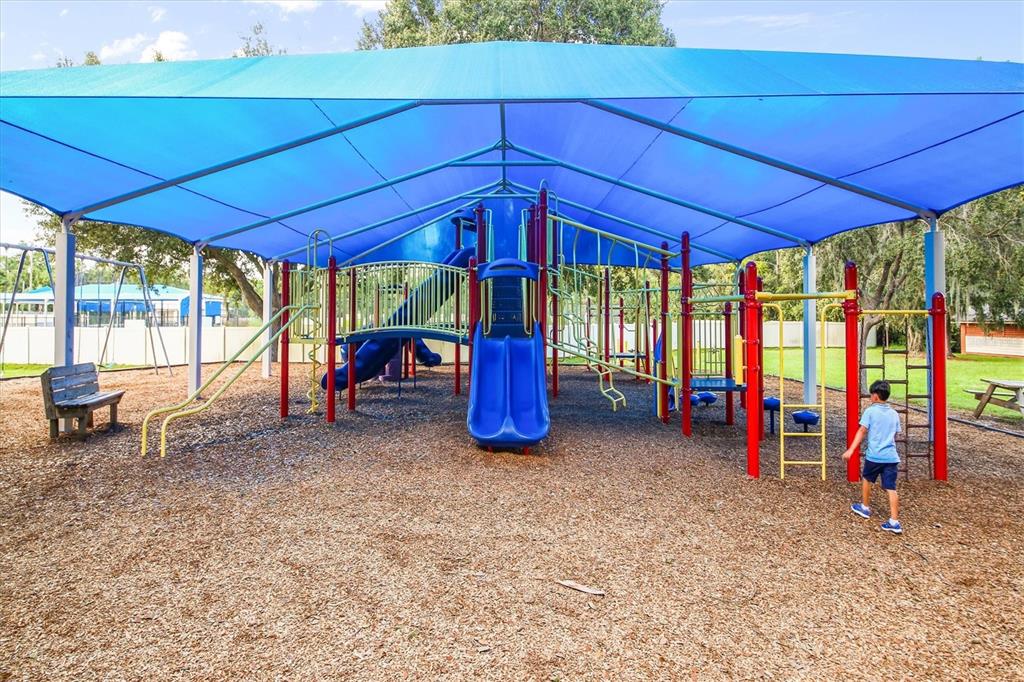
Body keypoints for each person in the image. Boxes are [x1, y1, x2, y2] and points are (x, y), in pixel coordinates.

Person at [843, 379, 903, 534]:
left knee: (867, 479)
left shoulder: (870, 411)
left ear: (875, 396)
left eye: (871, 394)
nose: (870, 396)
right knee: (891, 488)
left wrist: (851, 450)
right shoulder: (894, 414)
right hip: (891, 457)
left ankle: (864, 507)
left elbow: (862, 431)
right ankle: (894, 521)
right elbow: (895, 435)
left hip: (875, 455)